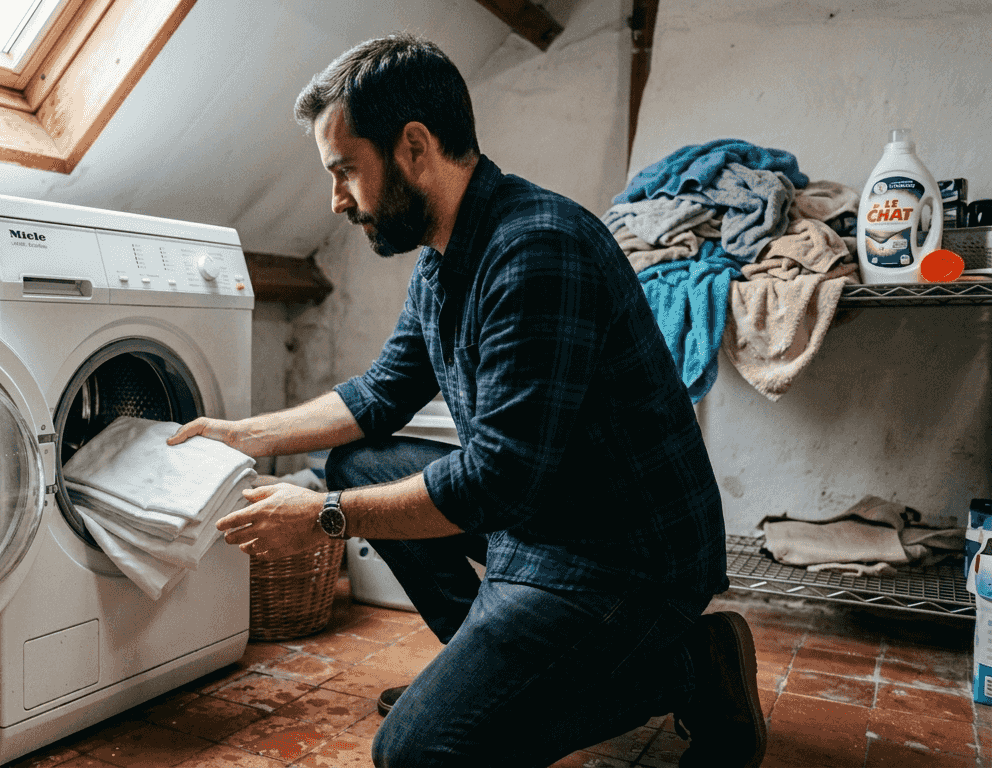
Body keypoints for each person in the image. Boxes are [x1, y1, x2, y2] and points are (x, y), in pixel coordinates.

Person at [168, 33, 765, 768]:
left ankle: (692, 663)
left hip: (626, 557)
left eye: (345, 171)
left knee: (420, 754)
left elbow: (498, 481)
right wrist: (243, 434)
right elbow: (381, 394)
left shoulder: (538, 250)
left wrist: (321, 517)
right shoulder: (443, 258)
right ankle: (489, 673)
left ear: (414, 148)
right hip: (545, 521)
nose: (335, 200)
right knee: (357, 462)